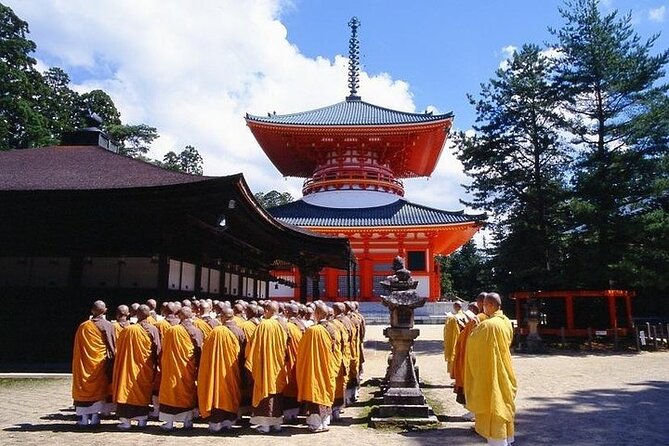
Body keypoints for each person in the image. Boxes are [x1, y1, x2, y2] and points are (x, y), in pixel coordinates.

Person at [465, 292, 517, 446]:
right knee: (503, 402)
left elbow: (473, 346)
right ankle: (506, 438)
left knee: (494, 404)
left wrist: (473, 328)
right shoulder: (506, 321)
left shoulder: (488, 325)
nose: (483, 309)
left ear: (490, 305)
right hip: (504, 369)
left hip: (492, 371)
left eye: (484, 306)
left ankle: (498, 440)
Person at [112, 304, 161, 429]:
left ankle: (126, 422)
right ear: (149, 315)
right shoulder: (153, 329)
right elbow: (157, 349)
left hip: (129, 367)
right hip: (145, 367)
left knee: (128, 390)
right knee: (143, 392)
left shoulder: (129, 330)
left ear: (136, 315)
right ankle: (142, 421)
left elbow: (119, 349)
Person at [244, 301, 288, 433]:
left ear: (267, 311)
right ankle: (277, 423)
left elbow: (253, 346)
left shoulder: (263, 326)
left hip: (265, 365)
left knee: (265, 389)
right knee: (276, 392)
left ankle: (264, 425)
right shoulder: (283, 325)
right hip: (278, 366)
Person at [198, 308, 244, 432]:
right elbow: (243, 354)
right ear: (232, 317)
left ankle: (215, 423)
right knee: (229, 394)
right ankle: (228, 422)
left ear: (222, 317)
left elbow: (206, 353)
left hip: (215, 371)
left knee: (215, 394)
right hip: (231, 371)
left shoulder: (215, 332)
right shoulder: (239, 332)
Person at [71, 300, 116, 426]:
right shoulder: (108, 325)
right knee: (98, 388)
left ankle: (84, 419)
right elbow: (112, 347)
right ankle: (95, 417)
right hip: (99, 364)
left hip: (84, 365)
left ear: (92, 311)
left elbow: (77, 349)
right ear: (105, 310)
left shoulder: (83, 326)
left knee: (84, 387)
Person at [158, 306, 203, 430]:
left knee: (170, 392)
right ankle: (187, 421)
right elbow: (199, 350)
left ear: (180, 316)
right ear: (191, 316)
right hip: (187, 369)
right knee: (187, 392)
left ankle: (168, 423)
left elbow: (163, 350)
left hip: (171, 368)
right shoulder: (196, 331)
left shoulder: (171, 331)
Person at [296, 302, 338, 433]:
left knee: (315, 391)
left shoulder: (313, 330)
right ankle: (325, 422)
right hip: (328, 366)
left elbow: (302, 349)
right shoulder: (332, 328)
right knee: (325, 391)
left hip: (315, 367)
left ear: (318, 314)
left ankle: (316, 424)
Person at [282, 303, 305, 422]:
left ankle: (288, 414)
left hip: (289, 361)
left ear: (287, 312)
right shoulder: (301, 325)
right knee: (296, 384)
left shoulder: (288, 327)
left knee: (288, 385)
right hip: (299, 360)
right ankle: (296, 412)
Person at [443, 301, 466, 377]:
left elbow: (448, 331)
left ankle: (455, 376)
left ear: (455, 307)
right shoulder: (465, 316)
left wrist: (448, 319)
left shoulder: (453, 318)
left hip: (456, 340)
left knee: (455, 358)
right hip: (464, 340)